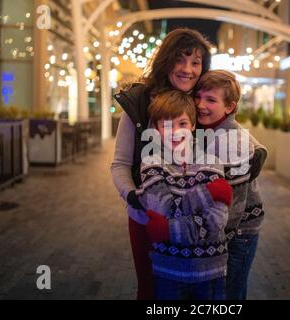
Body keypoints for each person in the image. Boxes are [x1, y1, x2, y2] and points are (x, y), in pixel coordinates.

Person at [111, 28, 267, 300]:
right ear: (166, 60)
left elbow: (229, 124)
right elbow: (120, 164)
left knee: (198, 293)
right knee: (152, 291)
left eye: (195, 62)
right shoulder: (139, 104)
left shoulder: (198, 100)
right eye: (180, 59)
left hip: (199, 220)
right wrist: (133, 195)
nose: (187, 69)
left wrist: (258, 148)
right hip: (151, 215)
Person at [132, 90, 233, 300]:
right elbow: (163, 209)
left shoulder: (212, 162)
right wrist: (207, 193)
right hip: (168, 271)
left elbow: (216, 223)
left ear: (194, 125)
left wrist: (167, 230)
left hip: (210, 273)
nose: (175, 132)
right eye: (166, 125)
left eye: (182, 124)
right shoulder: (151, 164)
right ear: (157, 129)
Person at [194, 70, 265, 300]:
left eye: (211, 100)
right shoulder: (209, 130)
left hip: (237, 235)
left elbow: (233, 208)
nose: (200, 105)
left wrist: (211, 241)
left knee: (227, 294)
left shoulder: (233, 143)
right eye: (198, 97)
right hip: (227, 232)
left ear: (230, 107)